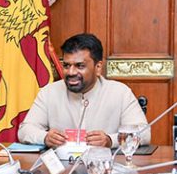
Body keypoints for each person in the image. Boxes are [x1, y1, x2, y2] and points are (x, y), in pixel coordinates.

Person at [18, 33, 149, 148]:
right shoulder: (49, 92)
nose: (71, 72)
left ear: (98, 67)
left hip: (105, 169)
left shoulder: (120, 93)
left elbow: (143, 133)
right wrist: (45, 137)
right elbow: (25, 130)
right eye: (67, 65)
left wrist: (110, 140)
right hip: (62, 169)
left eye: (80, 66)